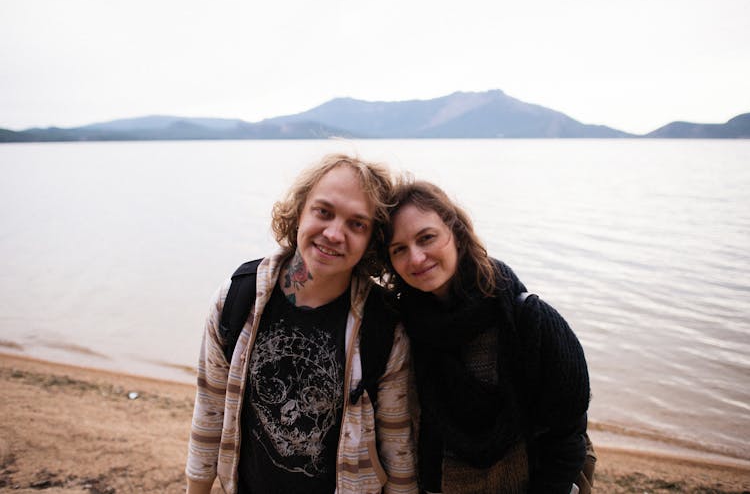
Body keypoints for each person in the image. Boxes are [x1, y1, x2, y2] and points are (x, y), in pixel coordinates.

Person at [185, 154, 418, 494]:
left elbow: (398, 447)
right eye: (323, 212)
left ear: (372, 239)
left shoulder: (383, 326)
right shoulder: (237, 299)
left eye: (357, 224)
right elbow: (209, 408)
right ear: (299, 212)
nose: (334, 233)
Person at [383, 180, 593, 494]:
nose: (415, 258)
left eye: (426, 238)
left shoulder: (528, 321)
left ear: (456, 233)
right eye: (399, 249)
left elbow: (567, 435)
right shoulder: (400, 327)